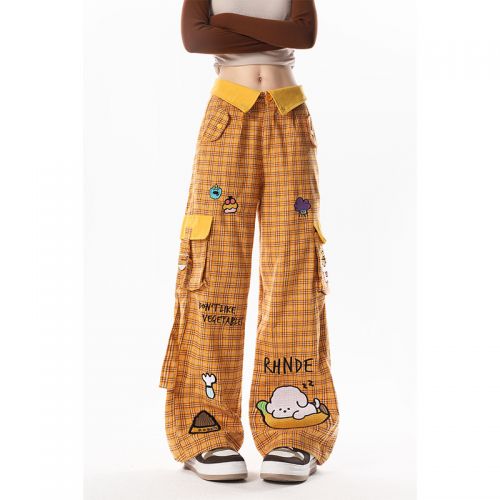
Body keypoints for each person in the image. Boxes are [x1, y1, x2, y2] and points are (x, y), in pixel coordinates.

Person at [159, 0, 339, 483]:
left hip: (288, 113)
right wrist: (269, 31)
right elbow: (196, 39)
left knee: (294, 271)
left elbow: (304, 36)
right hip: (228, 115)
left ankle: (292, 430)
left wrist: (228, 23)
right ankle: (207, 430)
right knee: (214, 272)